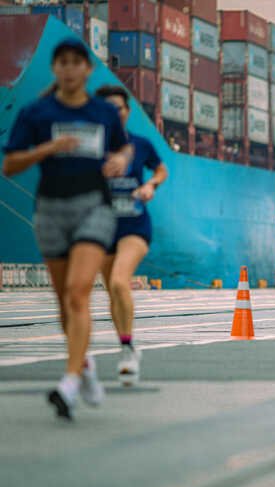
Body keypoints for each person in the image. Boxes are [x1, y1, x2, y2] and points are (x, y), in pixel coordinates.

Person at [3, 39, 131, 419]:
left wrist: (121, 161)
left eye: (77, 62)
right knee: (64, 303)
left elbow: (123, 147)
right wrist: (49, 148)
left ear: (88, 69)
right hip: (50, 209)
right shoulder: (36, 112)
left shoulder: (102, 112)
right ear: (54, 68)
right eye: (63, 62)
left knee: (78, 293)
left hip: (94, 207)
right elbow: (9, 165)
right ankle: (84, 365)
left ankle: (69, 384)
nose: (70, 68)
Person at [95, 85, 168, 386]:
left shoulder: (140, 144)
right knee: (113, 292)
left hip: (134, 226)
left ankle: (127, 349)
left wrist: (150, 185)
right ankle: (125, 343)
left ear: (127, 111)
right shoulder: (90, 146)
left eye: (119, 108)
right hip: (101, 226)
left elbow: (161, 169)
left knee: (118, 282)